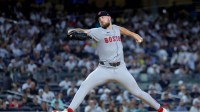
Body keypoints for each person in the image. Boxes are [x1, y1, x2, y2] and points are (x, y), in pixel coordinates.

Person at [63, 11, 168, 112]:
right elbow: (83, 31)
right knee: (85, 85)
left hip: (120, 69)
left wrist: (134, 35)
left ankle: (162, 110)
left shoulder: (116, 28)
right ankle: (69, 110)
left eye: (103, 17)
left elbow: (122, 30)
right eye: (99, 19)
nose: (101, 20)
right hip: (104, 69)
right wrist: (72, 30)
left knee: (137, 92)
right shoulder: (97, 31)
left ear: (109, 18)